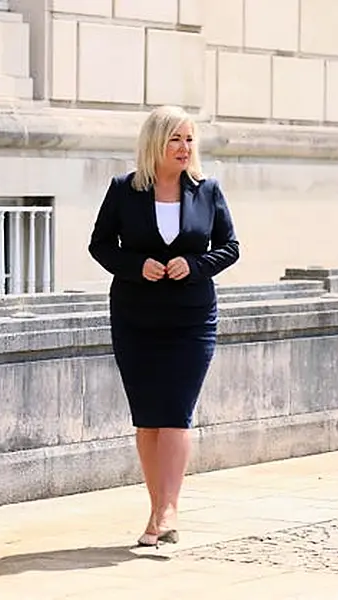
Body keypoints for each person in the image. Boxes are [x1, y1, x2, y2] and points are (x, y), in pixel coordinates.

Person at [88, 105, 240, 548]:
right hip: (136, 318)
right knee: (148, 418)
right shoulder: (124, 190)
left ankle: (170, 508)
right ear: (156, 142)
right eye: (176, 139)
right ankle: (157, 515)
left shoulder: (207, 191)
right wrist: (138, 266)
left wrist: (194, 265)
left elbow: (229, 247)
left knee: (175, 411)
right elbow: (100, 245)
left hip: (191, 320)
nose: (184, 147)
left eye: (189, 139)